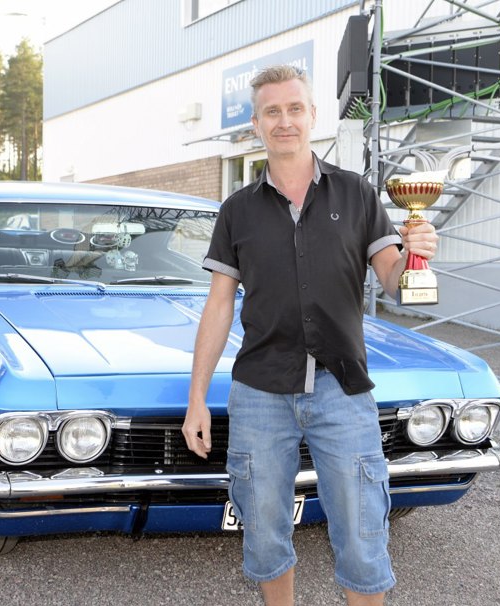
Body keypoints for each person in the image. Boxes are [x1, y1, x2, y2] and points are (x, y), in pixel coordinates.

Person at [181, 65, 438, 606]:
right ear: (256, 124)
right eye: (272, 111)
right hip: (259, 392)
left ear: (312, 115)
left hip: (342, 388)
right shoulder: (237, 211)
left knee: (363, 535)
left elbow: (393, 279)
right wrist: (197, 398)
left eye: (294, 108)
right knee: (263, 532)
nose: (285, 121)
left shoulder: (357, 193)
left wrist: (416, 253)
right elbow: (219, 305)